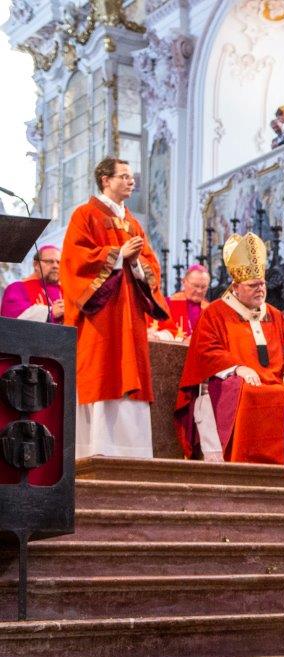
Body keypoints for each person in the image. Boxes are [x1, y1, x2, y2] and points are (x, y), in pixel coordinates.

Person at [62, 156, 168, 458]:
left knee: (130, 369)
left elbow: (152, 267)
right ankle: (97, 447)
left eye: (131, 176)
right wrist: (117, 255)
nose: (130, 181)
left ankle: (131, 449)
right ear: (105, 180)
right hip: (101, 316)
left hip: (129, 313)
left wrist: (135, 262)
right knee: (102, 369)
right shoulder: (85, 215)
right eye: (123, 176)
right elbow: (75, 260)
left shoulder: (133, 223)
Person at [175, 233, 284, 464]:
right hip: (234, 383)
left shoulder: (275, 315)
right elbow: (206, 350)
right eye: (253, 285)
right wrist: (236, 367)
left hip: (275, 380)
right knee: (248, 394)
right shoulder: (216, 312)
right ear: (236, 287)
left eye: (263, 284)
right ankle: (243, 463)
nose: (260, 289)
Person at [1, 244, 62, 323]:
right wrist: (50, 312)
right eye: (50, 261)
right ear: (36, 264)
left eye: (59, 262)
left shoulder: (65, 291)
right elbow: (14, 322)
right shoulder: (17, 288)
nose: (55, 266)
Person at [154, 264, 210, 341]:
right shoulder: (167, 304)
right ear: (184, 282)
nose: (199, 290)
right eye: (195, 286)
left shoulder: (210, 311)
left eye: (203, 287)